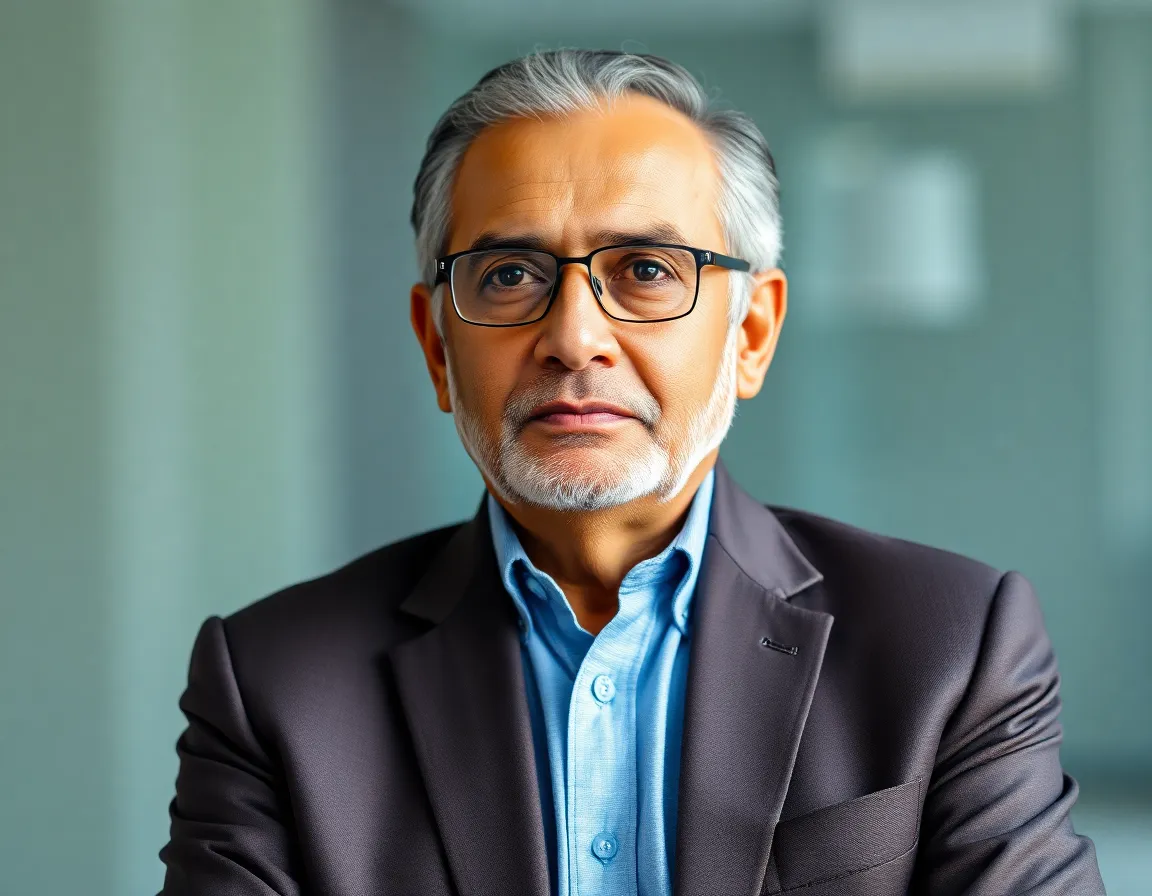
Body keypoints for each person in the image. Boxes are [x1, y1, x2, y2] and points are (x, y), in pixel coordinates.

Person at [158, 49, 1105, 896]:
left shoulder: (951, 646)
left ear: (751, 334)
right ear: (438, 348)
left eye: (647, 269)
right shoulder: (275, 683)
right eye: (509, 275)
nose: (575, 338)